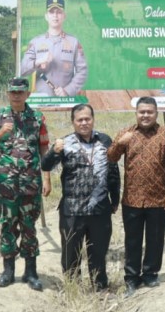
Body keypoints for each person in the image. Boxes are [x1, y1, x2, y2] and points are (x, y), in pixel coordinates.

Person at [0, 77, 50, 292]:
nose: (17, 95)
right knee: (7, 226)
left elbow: (44, 149)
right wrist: (0, 133)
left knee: (29, 226)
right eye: (13, 92)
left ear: (27, 94)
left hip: (30, 184)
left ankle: (31, 271)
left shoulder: (38, 118)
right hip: (6, 184)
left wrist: (47, 179)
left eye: (21, 92)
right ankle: (8, 271)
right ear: (8, 93)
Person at [42, 104, 120, 291]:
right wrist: (54, 151)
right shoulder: (65, 143)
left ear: (93, 119)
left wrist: (115, 198)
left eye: (87, 119)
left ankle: (100, 288)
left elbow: (113, 172)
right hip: (72, 209)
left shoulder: (105, 140)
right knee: (70, 254)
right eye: (80, 120)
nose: (84, 123)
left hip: (99, 209)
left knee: (98, 252)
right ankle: (73, 289)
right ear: (73, 122)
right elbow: (45, 165)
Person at [107, 96, 165, 297]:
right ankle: (131, 278)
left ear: (156, 113)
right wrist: (120, 144)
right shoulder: (127, 133)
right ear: (136, 113)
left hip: (158, 198)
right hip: (132, 199)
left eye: (150, 112)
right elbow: (110, 157)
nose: (145, 115)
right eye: (142, 112)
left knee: (155, 239)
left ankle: (150, 273)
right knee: (132, 240)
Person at [20, 0, 88, 97]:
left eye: (59, 12)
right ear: (46, 16)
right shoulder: (35, 42)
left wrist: (68, 90)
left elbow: (83, 71)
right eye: (51, 12)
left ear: (64, 16)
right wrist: (38, 62)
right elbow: (22, 70)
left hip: (65, 101)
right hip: (42, 101)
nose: (55, 16)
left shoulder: (74, 42)